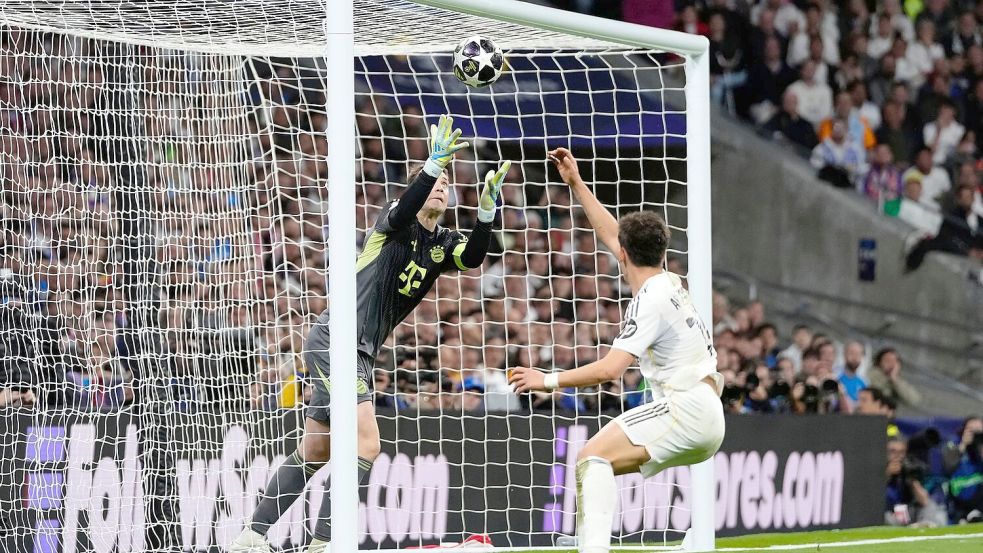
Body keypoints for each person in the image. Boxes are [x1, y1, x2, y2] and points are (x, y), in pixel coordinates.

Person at [230, 115, 510, 553]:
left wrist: (487, 214)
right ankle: (325, 543)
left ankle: (251, 536)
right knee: (366, 441)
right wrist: (430, 167)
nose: (440, 187)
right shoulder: (391, 225)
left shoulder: (441, 244)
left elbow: (474, 257)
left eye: (446, 184)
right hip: (336, 339)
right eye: (434, 182)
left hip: (358, 352)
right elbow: (408, 201)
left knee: (316, 451)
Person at [509, 148, 724, 553]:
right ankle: (687, 545)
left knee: (591, 457)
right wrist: (576, 183)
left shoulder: (650, 300)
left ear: (623, 256)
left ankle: (593, 548)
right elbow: (613, 233)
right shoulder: (671, 283)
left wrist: (547, 379)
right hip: (707, 413)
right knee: (597, 461)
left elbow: (611, 370)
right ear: (661, 253)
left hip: (687, 408)